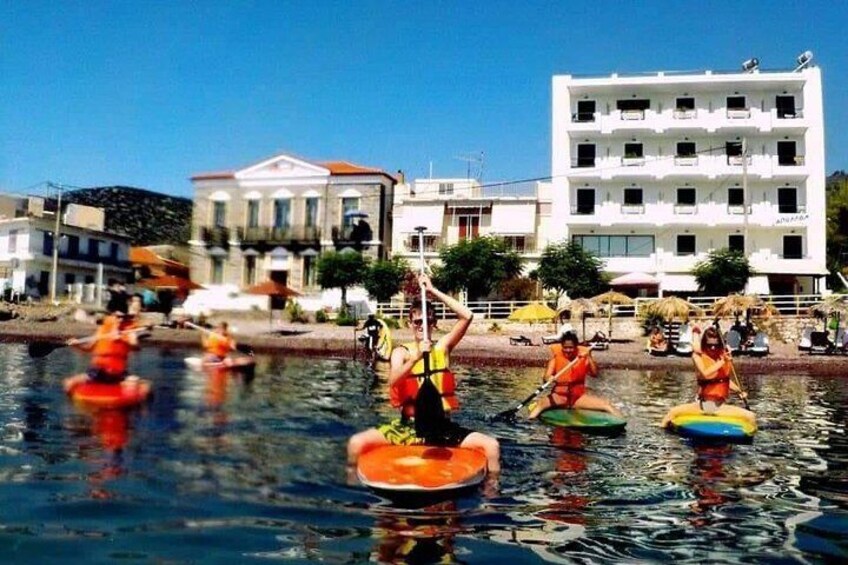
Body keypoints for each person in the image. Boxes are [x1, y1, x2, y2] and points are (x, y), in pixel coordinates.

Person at [347, 273, 500, 473]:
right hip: (408, 427)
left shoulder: (443, 347)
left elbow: (467, 316)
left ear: (434, 323)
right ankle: (351, 485)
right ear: (410, 323)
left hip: (440, 428)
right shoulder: (401, 352)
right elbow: (393, 381)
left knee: (492, 447)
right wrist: (417, 357)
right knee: (355, 443)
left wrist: (432, 291)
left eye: (427, 321)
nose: (422, 326)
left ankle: (491, 495)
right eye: (417, 322)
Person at [660, 326, 755, 428]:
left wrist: (739, 391)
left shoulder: (722, 355)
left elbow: (724, 380)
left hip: (720, 405)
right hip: (704, 405)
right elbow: (706, 374)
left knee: (751, 416)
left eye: (715, 345)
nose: (713, 348)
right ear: (704, 344)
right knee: (672, 413)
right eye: (709, 345)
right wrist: (723, 361)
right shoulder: (698, 357)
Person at [528, 331, 621, 419]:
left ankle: (623, 424)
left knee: (606, 405)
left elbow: (595, 374)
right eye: (565, 347)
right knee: (540, 406)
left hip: (578, 398)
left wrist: (589, 356)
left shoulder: (583, 357)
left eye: (571, 347)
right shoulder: (555, 359)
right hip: (559, 397)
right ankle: (528, 425)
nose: (568, 350)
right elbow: (546, 377)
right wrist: (550, 378)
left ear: (576, 347)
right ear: (562, 347)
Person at [63, 293, 143, 393]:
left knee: (136, 385)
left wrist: (123, 339)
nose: (120, 320)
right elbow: (88, 348)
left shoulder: (129, 329)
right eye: (118, 317)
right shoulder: (103, 328)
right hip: (98, 371)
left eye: (123, 317)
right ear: (112, 315)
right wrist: (76, 345)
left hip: (119, 373)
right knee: (69, 384)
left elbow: (136, 347)